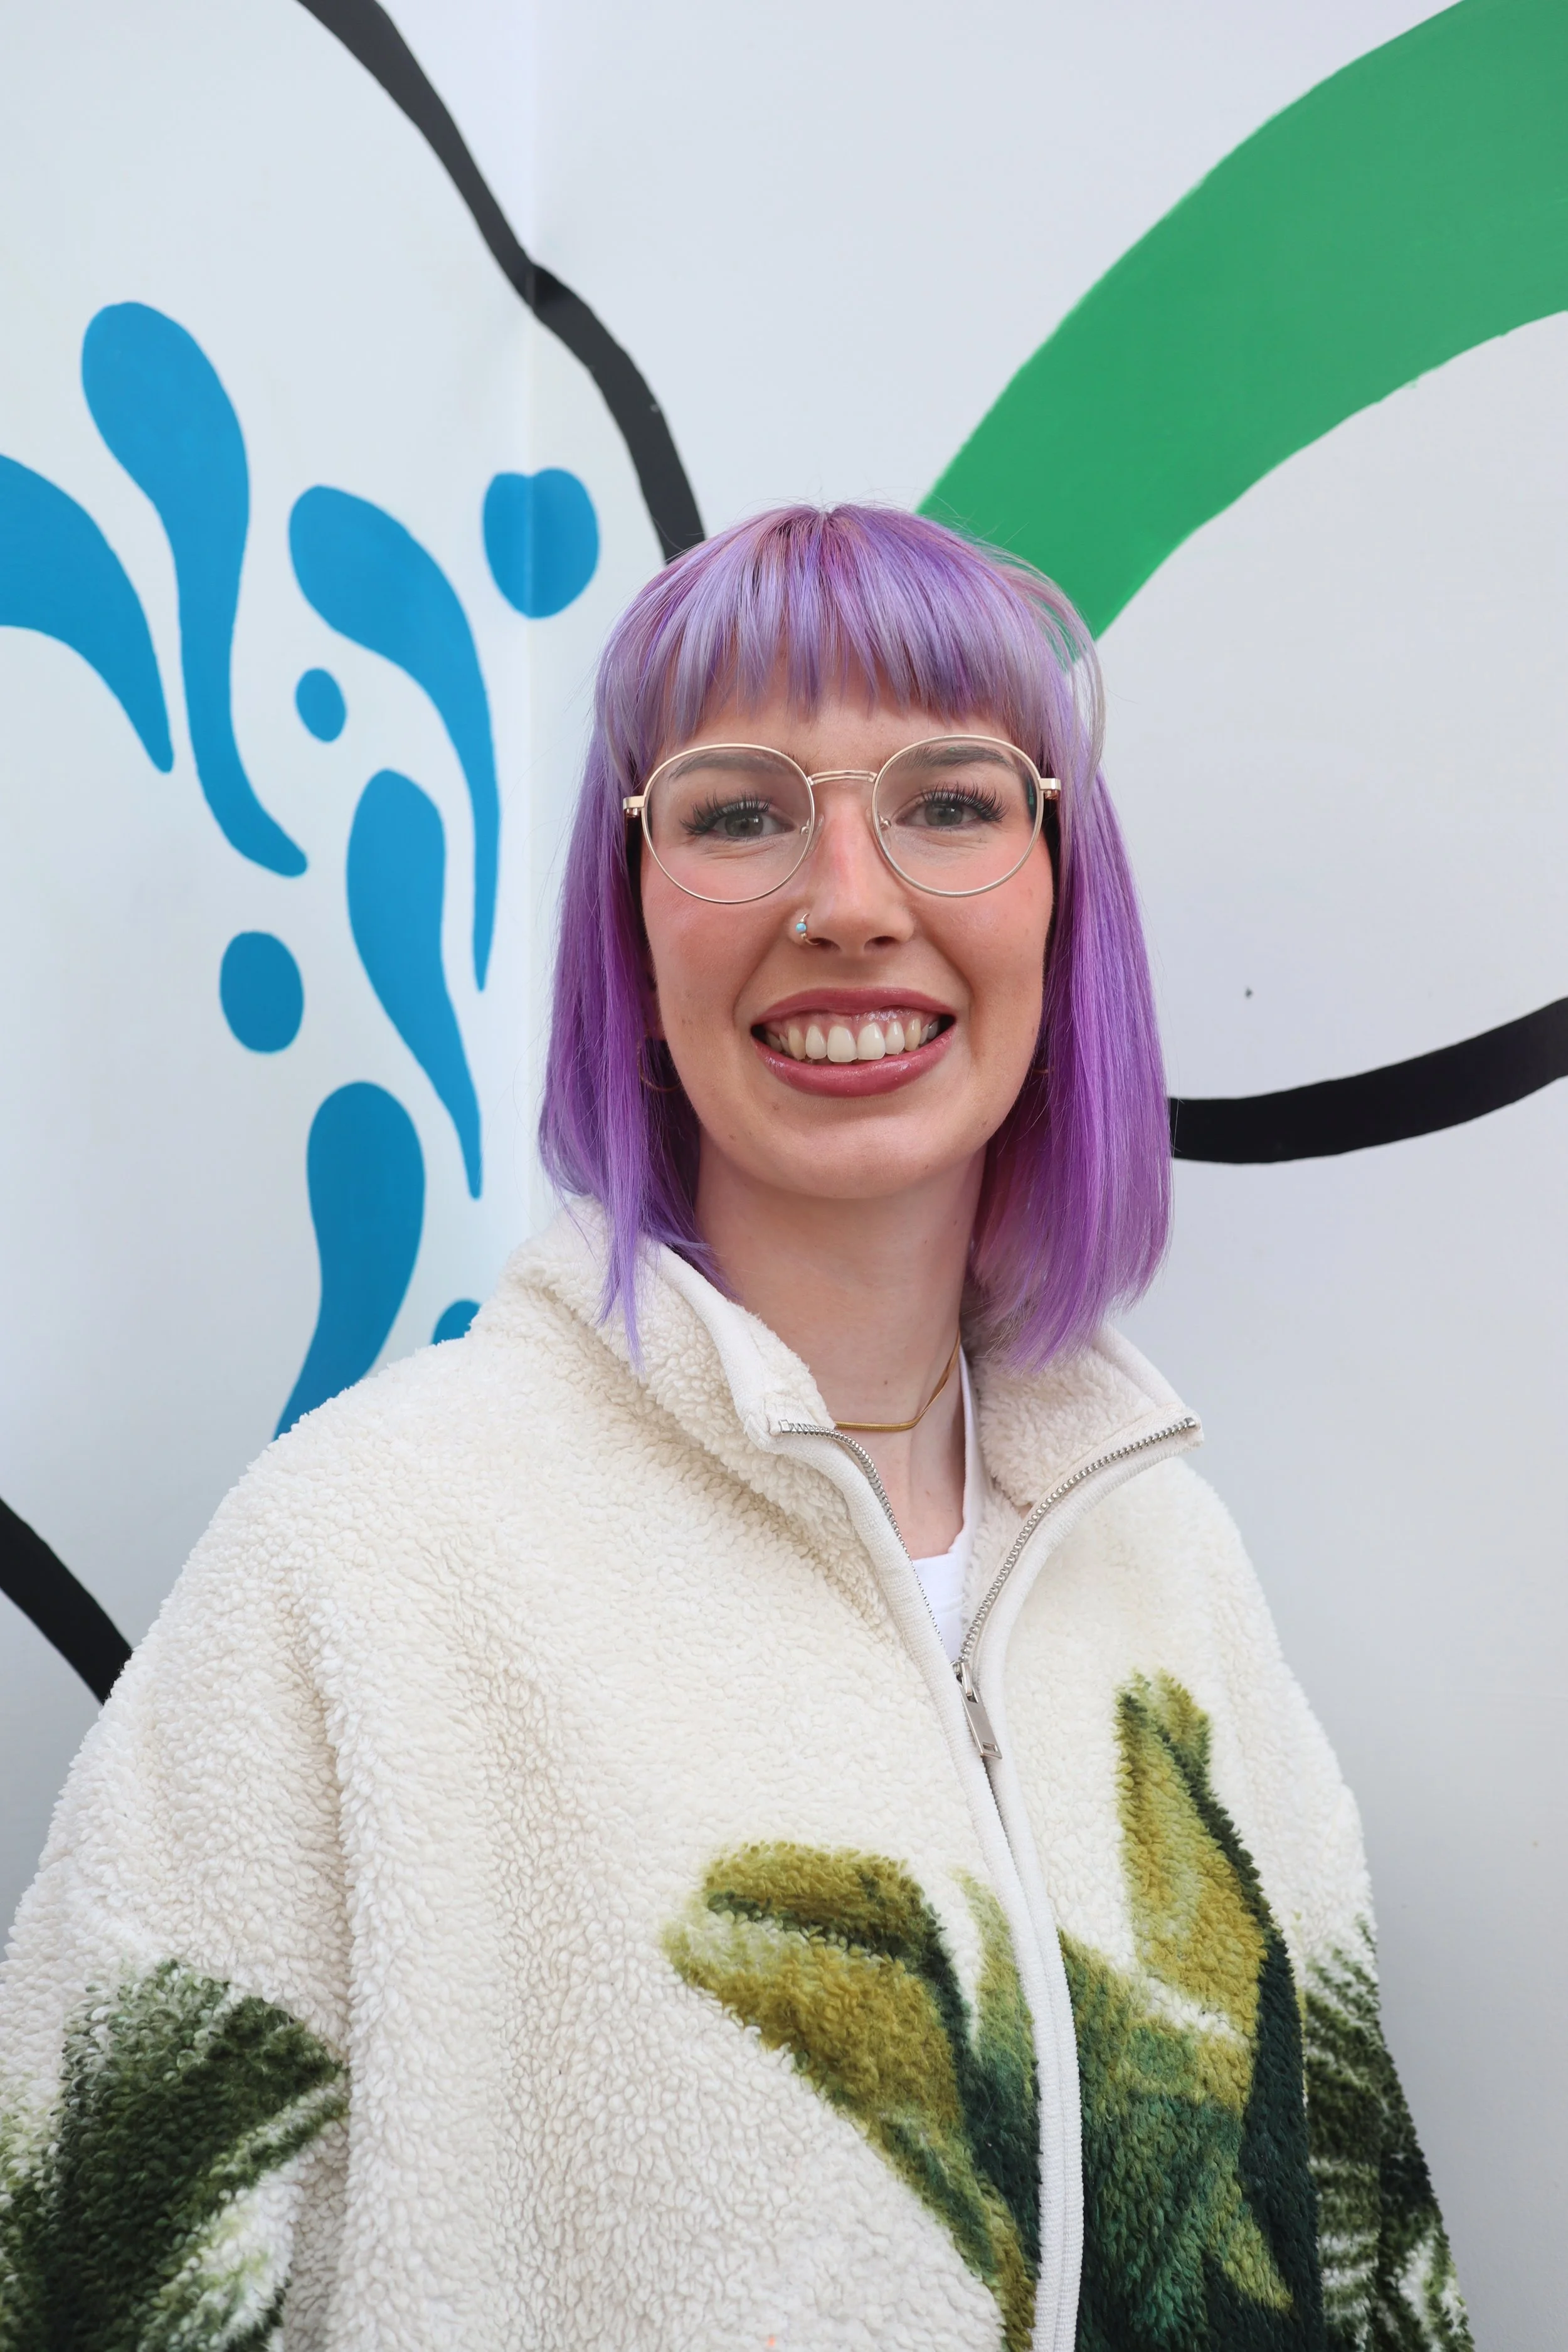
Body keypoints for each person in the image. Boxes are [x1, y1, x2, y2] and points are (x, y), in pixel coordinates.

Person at [0, 507, 1468, 2352]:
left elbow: (1373, 2276)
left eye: (951, 800)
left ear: (1061, 900)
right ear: (627, 923)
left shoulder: (1166, 1563)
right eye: (739, 812)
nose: (846, 898)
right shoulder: (359, 1560)